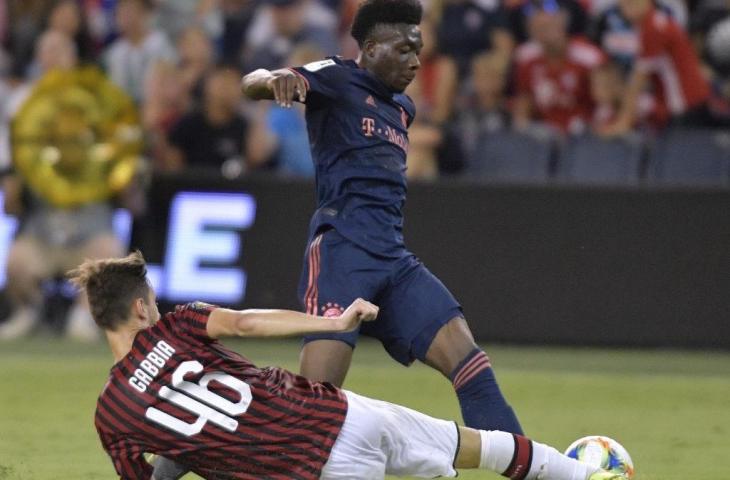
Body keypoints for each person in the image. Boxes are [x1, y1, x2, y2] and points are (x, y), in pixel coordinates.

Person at [72, 251, 626, 480]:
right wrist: (332, 324)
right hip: (341, 413)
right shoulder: (179, 325)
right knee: (470, 445)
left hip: (307, 470)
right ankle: (582, 474)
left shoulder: (112, 415)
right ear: (143, 308)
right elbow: (244, 324)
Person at [241, 0, 524, 437]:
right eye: (404, 49)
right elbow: (255, 82)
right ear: (370, 48)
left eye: (418, 49)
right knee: (311, 408)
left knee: (472, 366)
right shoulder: (336, 77)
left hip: (394, 260)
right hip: (342, 253)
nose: (414, 61)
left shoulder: (402, 108)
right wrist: (272, 78)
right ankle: (188, 449)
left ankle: (536, 468)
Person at [512, 0, 605, 135]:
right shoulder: (526, 58)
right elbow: (524, 100)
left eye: (548, 27)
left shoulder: (589, 58)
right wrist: (521, 128)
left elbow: (605, 102)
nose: (545, 35)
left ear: (563, 25)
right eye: (539, 29)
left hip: (584, 134)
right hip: (544, 137)